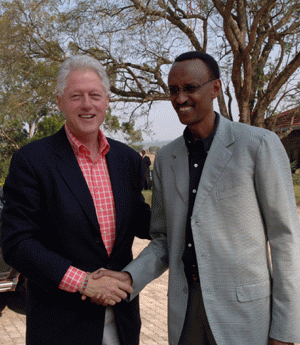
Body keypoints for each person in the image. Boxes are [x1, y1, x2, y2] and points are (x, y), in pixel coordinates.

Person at [95, 52, 300, 345]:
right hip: (185, 311)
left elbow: (286, 240)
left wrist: (285, 328)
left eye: (190, 88)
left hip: (246, 315)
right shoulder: (166, 158)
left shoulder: (258, 146)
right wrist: (129, 278)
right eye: (174, 90)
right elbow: (164, 240)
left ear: (215, 88)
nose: (181, 98)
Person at [0, 55, 150, 345]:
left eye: (95, 95)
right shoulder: (32, 161)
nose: (87, 104)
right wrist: (83, 282)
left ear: (107, 100)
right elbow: (17, 242)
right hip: (61, 325)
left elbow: (141, 221)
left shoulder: (127, 160)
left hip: (122, 319)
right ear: (59, 101)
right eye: (76, 96)